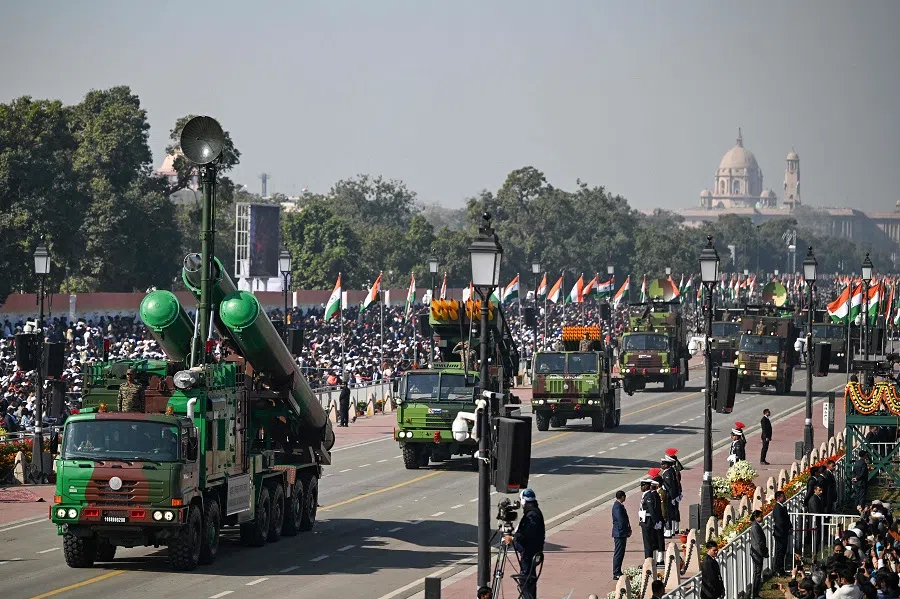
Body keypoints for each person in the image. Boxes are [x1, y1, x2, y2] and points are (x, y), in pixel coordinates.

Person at [503, 488, 544, 599]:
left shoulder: (532, 515)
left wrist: (513, 538)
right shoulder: (533, 512)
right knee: (527, 579)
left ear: (524, 501)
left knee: (526, 580)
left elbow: (527, 533)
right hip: (530, 552)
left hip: (529, 553)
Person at [638, 473, 663, 567]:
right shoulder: (647, 495)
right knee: (649, 541)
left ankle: (648, 561)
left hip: (648, 521)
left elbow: (652, 510)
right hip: (646, 520)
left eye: (642, 486)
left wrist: (656, 521)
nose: (641, 487)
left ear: (646, 486)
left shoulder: (648, 496)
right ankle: (650, 560)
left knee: (648, 542)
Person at [661, 452, 682, 538]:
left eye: (663, 464)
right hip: (672, 495)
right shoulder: (671, 470)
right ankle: (672, 530)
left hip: (669, 496)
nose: (661, 465)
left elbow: (670, 486)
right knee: (672, 513)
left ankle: (669, 531)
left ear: (667, 465)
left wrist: (673, 497)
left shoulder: (668, 473)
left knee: (669, 514)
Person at [611, 490, 632, 580]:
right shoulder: (617, 507)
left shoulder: (619, 506)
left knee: (621, 553)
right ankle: (616, 572)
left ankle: (618, 571)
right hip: (619, 533)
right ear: (622, 497)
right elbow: (621, 520)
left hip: (621, 532)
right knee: (618, 553)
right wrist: (626, 530)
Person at [773, 490, 792, 576]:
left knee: (783, 552)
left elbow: (787, 519)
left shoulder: (782, 507)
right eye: (783, 496)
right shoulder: (777, 508)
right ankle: (778, 569)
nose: (785, 497)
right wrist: (784, 530)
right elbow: (780, 522)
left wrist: (790, 526)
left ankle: (781, 568)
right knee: (779, 552)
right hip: (780, 534)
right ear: (778, 498)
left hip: (784, 533)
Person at [749, 509, 767, 599]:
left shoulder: (756, 526)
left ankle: (755, 593)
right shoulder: (755, 527)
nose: (762, 517)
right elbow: (760, 541)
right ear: (756, 518)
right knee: (757, 573)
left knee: (757, 573)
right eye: (761, 516)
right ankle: (754, 594)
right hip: (757, 553)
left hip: (758, 552)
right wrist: (765, 551)